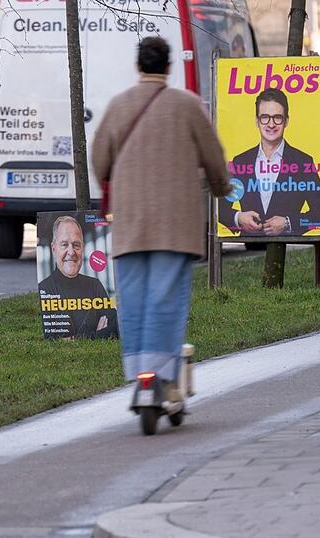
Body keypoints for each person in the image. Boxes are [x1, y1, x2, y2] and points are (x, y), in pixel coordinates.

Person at [91, 37, 230, 398]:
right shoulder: (188, 105)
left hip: (129, 223)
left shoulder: (118, 106)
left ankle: (138, 371)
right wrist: (220, 187)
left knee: (133, 299)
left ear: (138, 66)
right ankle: (162, 375)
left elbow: (99, 162)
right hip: (176, 226)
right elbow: (214, 157)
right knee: (166, 298)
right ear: (169, 67)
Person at [217, 88, 320, 236]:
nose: (271, 124)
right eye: (265, 117)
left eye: (277, 118)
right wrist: (238, 218)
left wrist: (288, 223)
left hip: (289, 246)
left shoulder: (302, 162)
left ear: (286, 121)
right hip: (250, 246)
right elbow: (219, 208)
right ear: (257, 121)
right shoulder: (240, 162)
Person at [38, 215, 118, 339]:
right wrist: (97, 335)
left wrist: (73, 339)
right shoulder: (43, 289)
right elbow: (50, 339)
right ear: (54, 249)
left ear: (82, 248)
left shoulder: (94, 285)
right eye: (64, 245)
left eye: (76, 245)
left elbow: (115, 326)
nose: (71, 252)